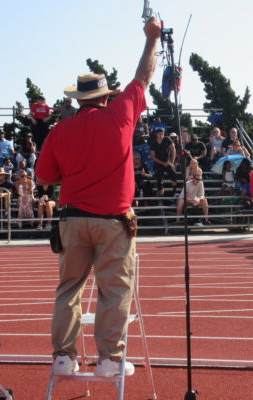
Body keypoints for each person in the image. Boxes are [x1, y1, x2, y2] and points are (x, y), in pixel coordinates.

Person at [35, 17, 161, 377]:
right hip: (113, 219)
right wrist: (152, 40)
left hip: (72, 218)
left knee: (68, 289)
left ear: (78, 99)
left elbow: (44, 177)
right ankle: (109, 359)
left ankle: (63, 357)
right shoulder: (120, 114)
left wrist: (71, 170)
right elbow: (143, 77)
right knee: (114, 290)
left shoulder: (60, 130)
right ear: (106, 97)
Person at [150, 128, 178, 197]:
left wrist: (172, 162)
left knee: (173, 173)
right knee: (159, 180)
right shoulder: (153, 143)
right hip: (158, 163)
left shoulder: (167, 139)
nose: (161, 136)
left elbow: (173, 150)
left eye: (162, 134)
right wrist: (163, 163)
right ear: (156, 134)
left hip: (167, 162)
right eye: (159, 134)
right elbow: (153, 157)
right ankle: (161, 196)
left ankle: (174, 191)